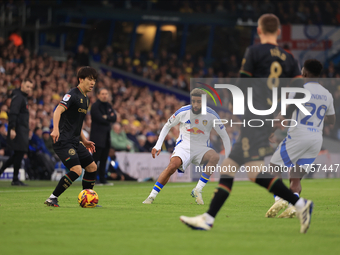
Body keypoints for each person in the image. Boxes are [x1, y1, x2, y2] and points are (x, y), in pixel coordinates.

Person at [180, 14, 314, 234]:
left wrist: (236, 109)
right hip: (267, 117)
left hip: (254, 118)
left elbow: (242, 83)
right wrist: (283, 115)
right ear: (278, 32)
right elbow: (301, 92)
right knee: (235, 168)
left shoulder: (254, 52)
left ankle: (300, 204)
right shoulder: (289, 58)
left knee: (245, 171)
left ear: (259, 31)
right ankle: (208, 218)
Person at [266, 59, 335, 218]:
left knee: (274, 167)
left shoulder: (299, 88)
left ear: (304, 72)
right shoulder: (327, 94)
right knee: (295, 176)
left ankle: (279, 199)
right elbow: (331, 120)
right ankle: (295, 203)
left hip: (298, 135)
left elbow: (286, 112)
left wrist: (272, 130)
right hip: (316, 139)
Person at [142, 88, 231, 205]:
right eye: (193, 101)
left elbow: (224, 136)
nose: (195, 104)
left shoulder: (212, 115)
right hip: (184, 147)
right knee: (172, 166)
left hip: (201, 148)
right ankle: (151, 196)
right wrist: (158, 145)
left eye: (199, 102)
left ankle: (198, 190)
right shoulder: (183, 112)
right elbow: (167, 126)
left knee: (214, 157)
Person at [44, 66, 98, 207]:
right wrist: (55, 129)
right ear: (81, 79)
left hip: (75, 141)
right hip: (63, 140)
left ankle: (88, 199)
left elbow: (77, 124)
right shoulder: (72, 94)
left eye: (94, 80)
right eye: (90, 79)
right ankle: (52, 198)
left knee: (92, 167)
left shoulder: (86, 100)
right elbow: (58, 111)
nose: (92, 83)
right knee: (77, 170)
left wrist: (84, 140)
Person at [0, 79, 33, 185]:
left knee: (18, 154)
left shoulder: (22, 97)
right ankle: (15, 179)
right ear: (22, 85)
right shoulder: (19, 97)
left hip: (22, 129)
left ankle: (13, 178)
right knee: (19, 153)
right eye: (27, 86)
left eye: (30, 88)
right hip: (18, 129)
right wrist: (13, 129)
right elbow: (13, 113)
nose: (29, 89)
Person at [90, 88, 116, 185]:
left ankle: (102, 179)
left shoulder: (108, 106)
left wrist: (107, 117)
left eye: (106, 94)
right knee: (95, 160)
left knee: (104, 160)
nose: (105, 95)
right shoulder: (95, 106)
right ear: (98, 95)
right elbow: (99, 118)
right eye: (103, 94)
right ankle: (92, 179)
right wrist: (108, 118)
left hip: (106, 138)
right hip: (97, 137)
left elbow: (114, 117)